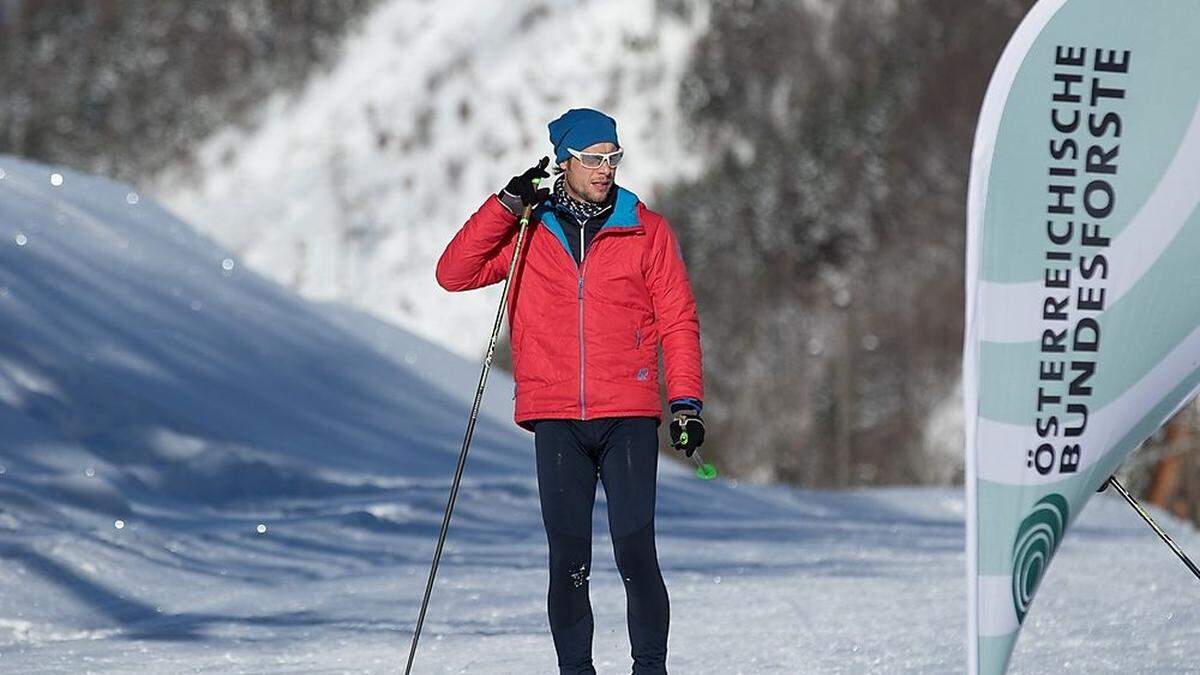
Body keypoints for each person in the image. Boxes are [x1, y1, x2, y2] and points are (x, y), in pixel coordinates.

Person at [435, 107, 706, 675]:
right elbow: (454, 272)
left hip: (628, 413)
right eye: (592, 159)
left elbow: (678, 321)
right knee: (569, 561)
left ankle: (649, 669)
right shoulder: (529, 229)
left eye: (613, 158)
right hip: (555, 414)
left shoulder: (646, 230)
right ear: (565, 162)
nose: (605, 169)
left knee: (636, 552)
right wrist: (507, 204)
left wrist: (685, 403)